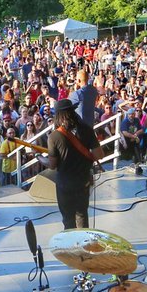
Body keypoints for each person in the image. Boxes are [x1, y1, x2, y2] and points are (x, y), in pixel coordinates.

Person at [47, 98, 102, 230]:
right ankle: (84, 245)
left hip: (65, 183)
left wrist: (43, 160)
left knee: (68, 218)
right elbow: (99, 155)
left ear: (58, 115)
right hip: (83, 180)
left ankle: (71, 246)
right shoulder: (87, 129)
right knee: (82, 214)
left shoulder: (54, 136)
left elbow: (52, 165)